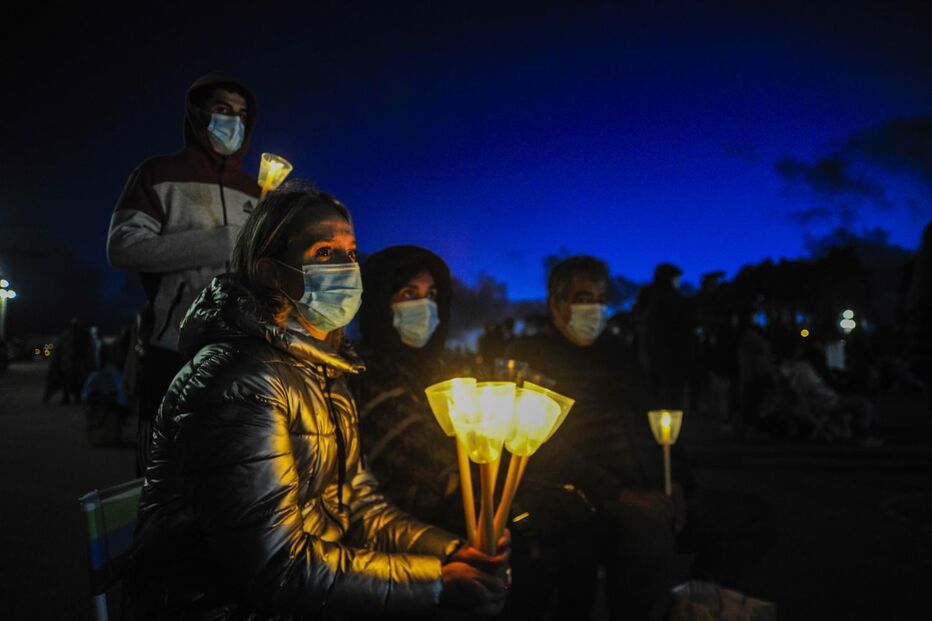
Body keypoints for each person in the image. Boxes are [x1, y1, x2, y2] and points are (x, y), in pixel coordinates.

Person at [125, 184, 509, 620]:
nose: (346, 266)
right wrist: (438, 582)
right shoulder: (241, 381)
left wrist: (454, 550)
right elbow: (275, 570)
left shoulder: (323, 371)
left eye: (350, 252)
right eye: (325, 252)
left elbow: (361, 506)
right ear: (270, 272)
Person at [508, 256, 772, 619]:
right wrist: (621, 494)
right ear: (556, 304)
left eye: (601, 299)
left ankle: (691, 610)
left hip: (655, 487)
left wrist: (678, 482)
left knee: (749, 517)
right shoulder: (531, 358)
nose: (595, 309)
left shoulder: (619, 354)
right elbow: (544, 446)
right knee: (648, 537)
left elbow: (658, 418)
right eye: (584, 298)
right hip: (592, 498)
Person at [107, 73, 261, 475]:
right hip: (173, 350)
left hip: (241, 353)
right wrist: (221, 240)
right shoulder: (159, 174)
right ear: (197, 116)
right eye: (223, 110)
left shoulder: (256, 190)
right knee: (164, 474)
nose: (234, 122)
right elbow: (123, 246)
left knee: (231, 472)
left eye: (242, 114)